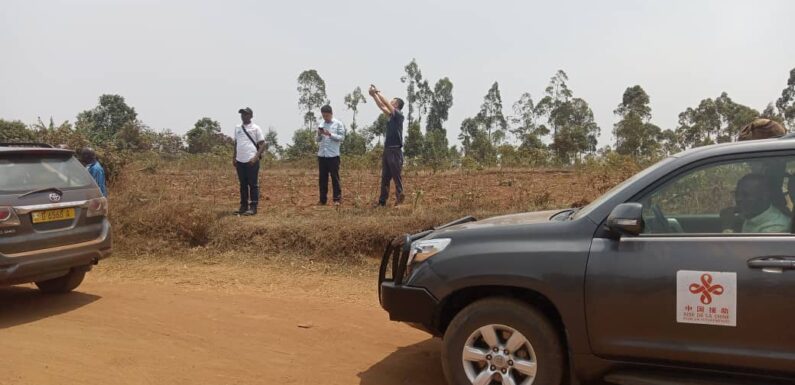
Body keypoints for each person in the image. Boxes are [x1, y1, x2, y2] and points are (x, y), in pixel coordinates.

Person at [368, 85, 405, 207]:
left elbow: (385, 102)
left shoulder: (398, 115)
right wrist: (374, 96)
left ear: (397, 105)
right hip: (387, 150)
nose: (390, 102)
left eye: (393, 101)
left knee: (396, 176)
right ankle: (382, 201)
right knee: (385, 177)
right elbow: (381, 106)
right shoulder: (390, 116)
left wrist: (377, 91)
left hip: (395, 150)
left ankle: (400, 197)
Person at [720, 173, 790, 233]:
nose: (738, 199)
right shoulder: (753, 215)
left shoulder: (776, 227)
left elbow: (741, 249)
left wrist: (727, 228)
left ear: (764, 196)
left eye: (746, 195)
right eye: (737, 194)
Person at [233, 107, 267, 216]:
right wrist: (234, 157)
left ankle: (253, 207)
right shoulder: (237, 128)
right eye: (242, 114)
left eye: (246, 114)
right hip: (240, 160)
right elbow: (236, 143)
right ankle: (243, 206)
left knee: (253, 184)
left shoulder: (256, 128)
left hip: (251, 160)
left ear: (251, 116)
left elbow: (263, 145)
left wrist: (255, 157)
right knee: (243, 184)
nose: (243, 116)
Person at [316, 105, 345, 206]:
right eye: (323, 116)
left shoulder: (338, 124)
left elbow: (342, 138)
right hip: (322, 155)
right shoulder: (321, 124)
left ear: (331, 114)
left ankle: (337, 199)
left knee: (335, 178)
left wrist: (330, 134)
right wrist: (319, 134)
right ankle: (322, 200)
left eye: (327, 116)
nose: (325, 118)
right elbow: (317, 140)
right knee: (322, 179)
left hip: (333, 156)